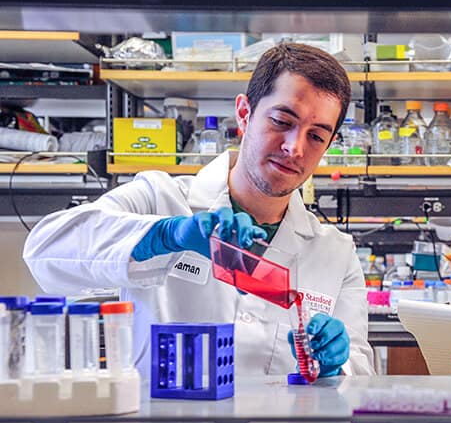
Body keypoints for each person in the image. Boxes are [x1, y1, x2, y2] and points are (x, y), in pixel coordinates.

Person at [24, 43, 374, 377]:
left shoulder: (336, 253)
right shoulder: (158, 198)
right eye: (282, 121)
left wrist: (334, 365)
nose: (294, 148)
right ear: (244, 114)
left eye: (316, 136)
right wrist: (166, 236)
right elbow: (44, 251)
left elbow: (358, 368)